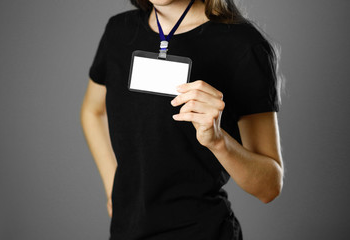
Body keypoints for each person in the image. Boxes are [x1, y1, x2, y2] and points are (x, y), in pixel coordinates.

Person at [80, 0, 284, 239]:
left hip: (201, 231)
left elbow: (269, 187)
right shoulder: (119, 30)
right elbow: (92, 111)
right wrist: (113, 186)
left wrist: (218, 141)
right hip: (127, 232)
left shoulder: (243, 44)